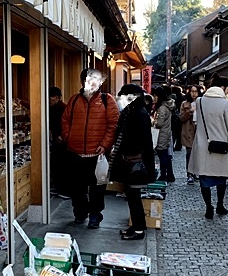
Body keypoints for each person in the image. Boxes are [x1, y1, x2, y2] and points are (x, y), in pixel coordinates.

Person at [61, 69, 120, 229]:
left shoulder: (107, 100)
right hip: (75, 152)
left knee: (97, 188)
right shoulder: (74, 100)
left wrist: (105, 144)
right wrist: (68, 137)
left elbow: (113, 125)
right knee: (77, 188)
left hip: (97, 154)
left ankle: (95, 216)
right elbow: (65, 121)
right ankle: (80, 213)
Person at [108, 84, 156, 240]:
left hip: (134, 163)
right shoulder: (131, 112)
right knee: (131, 195)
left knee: (134, 196)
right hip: (129, 162)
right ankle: (135, 226)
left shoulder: (139, 114)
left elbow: (143, 142)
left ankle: (139, 230)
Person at [187, 75, 228, 218]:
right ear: (223, 88)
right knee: (221, 178)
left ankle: (208, 207)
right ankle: (220, 205)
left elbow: (196, 121)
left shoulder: (200, 101)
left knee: (205, 179)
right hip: (222, 146)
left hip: (203, 146)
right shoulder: (225, 104)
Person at [152, 87, 176, 182]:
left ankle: (164, 175)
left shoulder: (162, 108)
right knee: (165, 155)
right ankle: (170, 175)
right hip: (166, 133)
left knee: (163, 156)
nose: (154, 98)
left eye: (155, 96)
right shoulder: (166, 106)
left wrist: (153, 122)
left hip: (162, 134)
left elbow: (159, 124)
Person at [49, 86, 68, 198]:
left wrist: (62, 135)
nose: (48, 100)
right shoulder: (53, 108)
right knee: (56, 164)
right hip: (55, 140)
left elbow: (68, 124)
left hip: (63, 140)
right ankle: (57, 187)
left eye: (50, 97)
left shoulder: (63, 108)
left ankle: (65, 190)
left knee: (62, 165)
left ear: (56, 97)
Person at [180, 85, 201, 184]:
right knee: (189, 152)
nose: (194, 94)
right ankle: (189, 174)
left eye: (196, 91)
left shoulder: (201, 103)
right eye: (192, 91)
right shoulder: (185, 104)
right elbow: (181, 118)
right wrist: (189, 112)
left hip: (199, 129)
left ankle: (197, 172)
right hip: (188, 130)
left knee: (199, 153)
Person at [171, 85, 184, 151]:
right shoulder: (183, 97)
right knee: (179, 133)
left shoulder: (173, 97)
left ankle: (172, 145)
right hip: (180, 115)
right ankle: (179, 146)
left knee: (173, 132)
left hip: (174, 116)